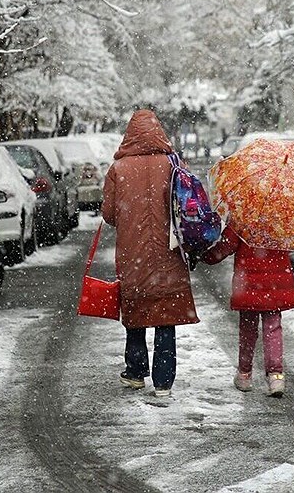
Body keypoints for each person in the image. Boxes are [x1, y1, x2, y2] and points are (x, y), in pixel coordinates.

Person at [101, 109, 199, 397]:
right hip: (170, 252)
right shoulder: (173, 164)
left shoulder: (118, 169)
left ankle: (135, 371)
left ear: (130, 134)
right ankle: (164, 380)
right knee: (165, 313)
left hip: (133, 254)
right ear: (159, 131)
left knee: (136, 308)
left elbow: (109, 214)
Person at [201, 222, 294, 397]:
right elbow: (293, 244)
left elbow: (226, 246)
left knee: (248, 329)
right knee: (273, 328)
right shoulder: (283, 215)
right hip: (276, 282)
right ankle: (276, 376)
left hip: (248, 282)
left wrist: (205, 257)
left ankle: (244, 375)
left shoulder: (243, 215)